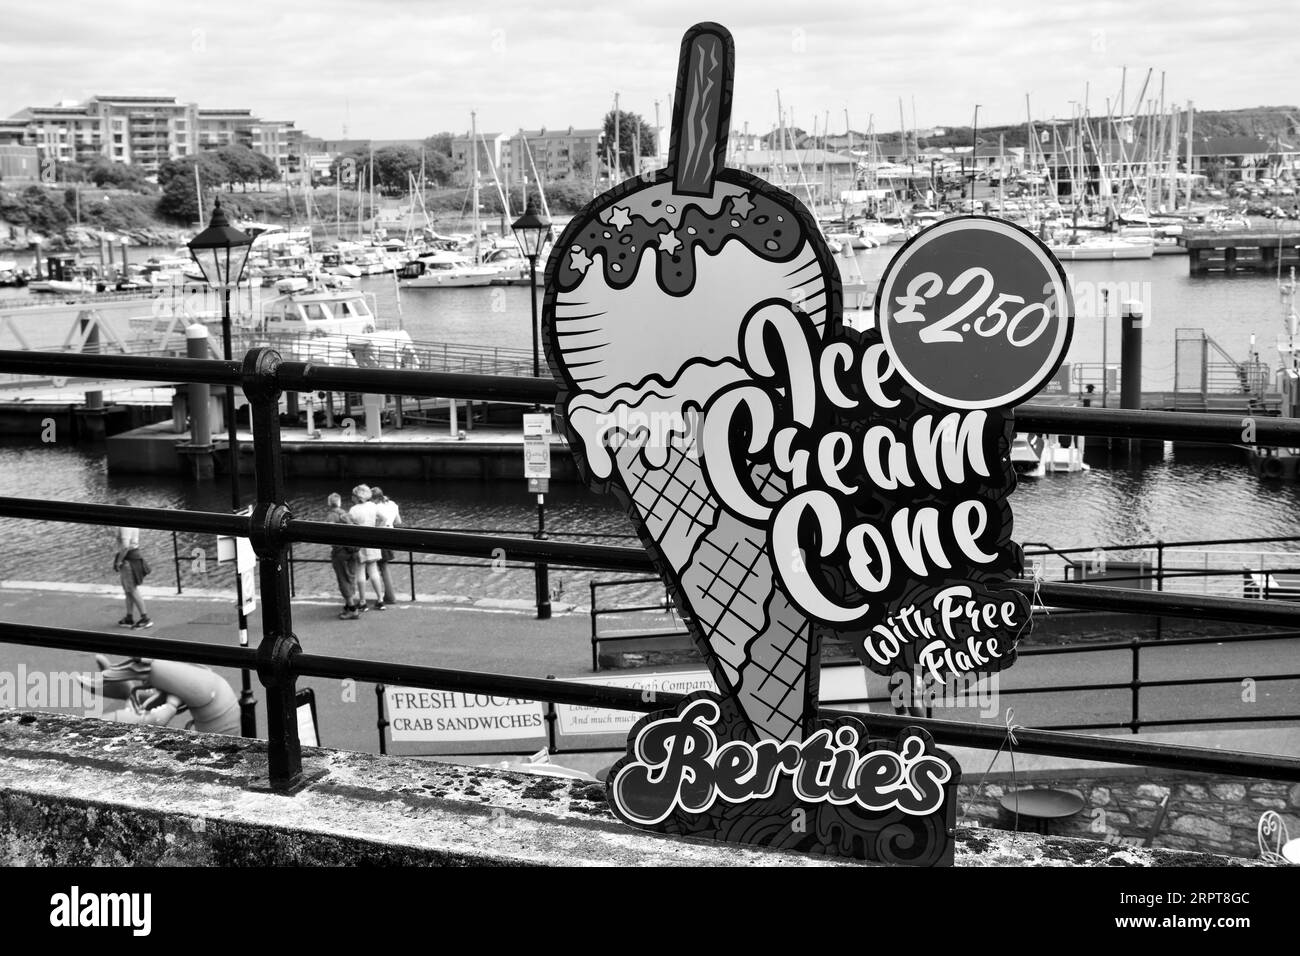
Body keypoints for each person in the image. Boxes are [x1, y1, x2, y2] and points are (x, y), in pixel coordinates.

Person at [112, 499, 152, 629]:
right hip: (132, 557)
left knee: (132, 590)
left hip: (128, 560)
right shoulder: (132, 521)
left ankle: (145, 618)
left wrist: (119, 561)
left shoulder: (125, 524)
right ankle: (129, 617)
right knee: (128, 590)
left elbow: (125, 546)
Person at [349, 484, 385, 611]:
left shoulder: (353, 510)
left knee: (360, 571)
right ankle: (380, 600)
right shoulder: (373, 506)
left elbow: (349, 526)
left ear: (357, 497)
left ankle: (363, 602)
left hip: (359, 542)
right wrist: (377, 530)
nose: (351, 497)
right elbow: (383, 518)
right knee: (374, 570)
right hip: (372, 540)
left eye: (353, 495)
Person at [326, 493, 362, 619]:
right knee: (351, 577)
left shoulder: (332, 515)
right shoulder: (346, 514)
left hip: (340, 552)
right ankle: (349, 604)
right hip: (353, 551)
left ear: (329, 503)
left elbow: (329, 534)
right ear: (340, 502)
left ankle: (352, 608)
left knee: (343, 579)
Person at [371, 485, 403, 605]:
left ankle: (390, 596)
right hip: (390, 537)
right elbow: (398, 521)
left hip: (379, 537)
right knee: (381, 565)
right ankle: (388, 595)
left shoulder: (375, 507)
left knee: (380, 567)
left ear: (373, 498)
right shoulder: (393, 504)